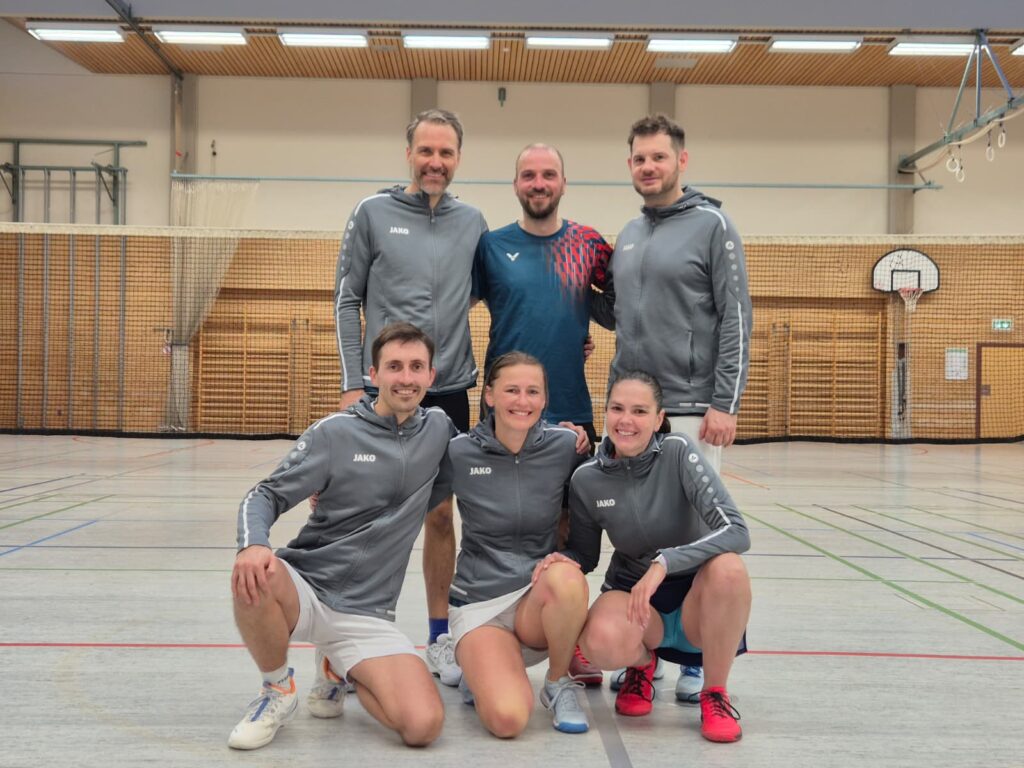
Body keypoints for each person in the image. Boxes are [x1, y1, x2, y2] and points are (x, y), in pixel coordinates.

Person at [228, 323, 455, 750]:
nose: (406, 378)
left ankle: (339, 665)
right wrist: (253, 544)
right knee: (255, 574)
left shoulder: (439, 430)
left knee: (422, 726)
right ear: (373, 373)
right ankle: (277, 689)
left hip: (367, 612)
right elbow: (265, 494)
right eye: (394, 366)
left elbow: (490, 453)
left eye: (416, 367)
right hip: (308, 586)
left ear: (431, 376)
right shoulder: (335, 432)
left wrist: (566, 438)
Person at [334, 109, 488, 685]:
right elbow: (347, 299)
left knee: (442, 516)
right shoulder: (372, 213)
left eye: (446, 153)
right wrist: (355, 381)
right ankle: (351, 637)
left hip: (449, 392)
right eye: (426, 151)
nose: (435, 162)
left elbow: (486, 293)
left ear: (458, 158)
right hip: (382, 392)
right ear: (409, 154)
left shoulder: (472, 222)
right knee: (367, 517)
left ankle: (440, 636)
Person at [602, 114, 753, 700]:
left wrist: (725, 402)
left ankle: (695, 658)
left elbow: (736, 316)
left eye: (659, 157)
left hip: (692, 408)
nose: (649, 167)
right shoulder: (628, 233)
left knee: (697, 532)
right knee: (637, 529)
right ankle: (644, 656)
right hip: (632, 413)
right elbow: (625, 315)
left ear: (681, 162)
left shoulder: (713, 225)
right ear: (630, 165)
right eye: (640, 159)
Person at [554, 370, 752, 742]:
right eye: (617, 408)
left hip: (697, 604)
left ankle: (715, 692)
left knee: (729, 568)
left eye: (640, 411)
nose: (626, 420)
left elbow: (737, 531)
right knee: (599, 640)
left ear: (659, 419)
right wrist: (557, 560)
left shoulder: (678, 452)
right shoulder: (587, 479)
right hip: (638, 605)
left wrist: (665, 562)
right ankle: (642, 665)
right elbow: (584, 554)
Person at [446, 352, 592, 736]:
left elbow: (609, 479)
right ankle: (477, 665)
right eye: (511, 390)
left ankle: (557, 682)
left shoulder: (566, 446)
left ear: (545, 399)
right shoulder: (458, 451)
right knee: (508, 720)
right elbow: (399, 482)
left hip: (536, 601)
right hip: (480, 603)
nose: (522, 401)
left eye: (533, 391)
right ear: (489, 395)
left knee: (567, 577)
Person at [472, 143, 612, 448]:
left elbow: (616, 312)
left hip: (570, 409)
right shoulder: (490, 246)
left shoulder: (589, 244)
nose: (538, 184)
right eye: (528, 175)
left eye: (549, 175)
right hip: (505, 410)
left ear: (564, 183)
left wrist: (576, 309)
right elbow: (455, 307)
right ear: (515, 185)